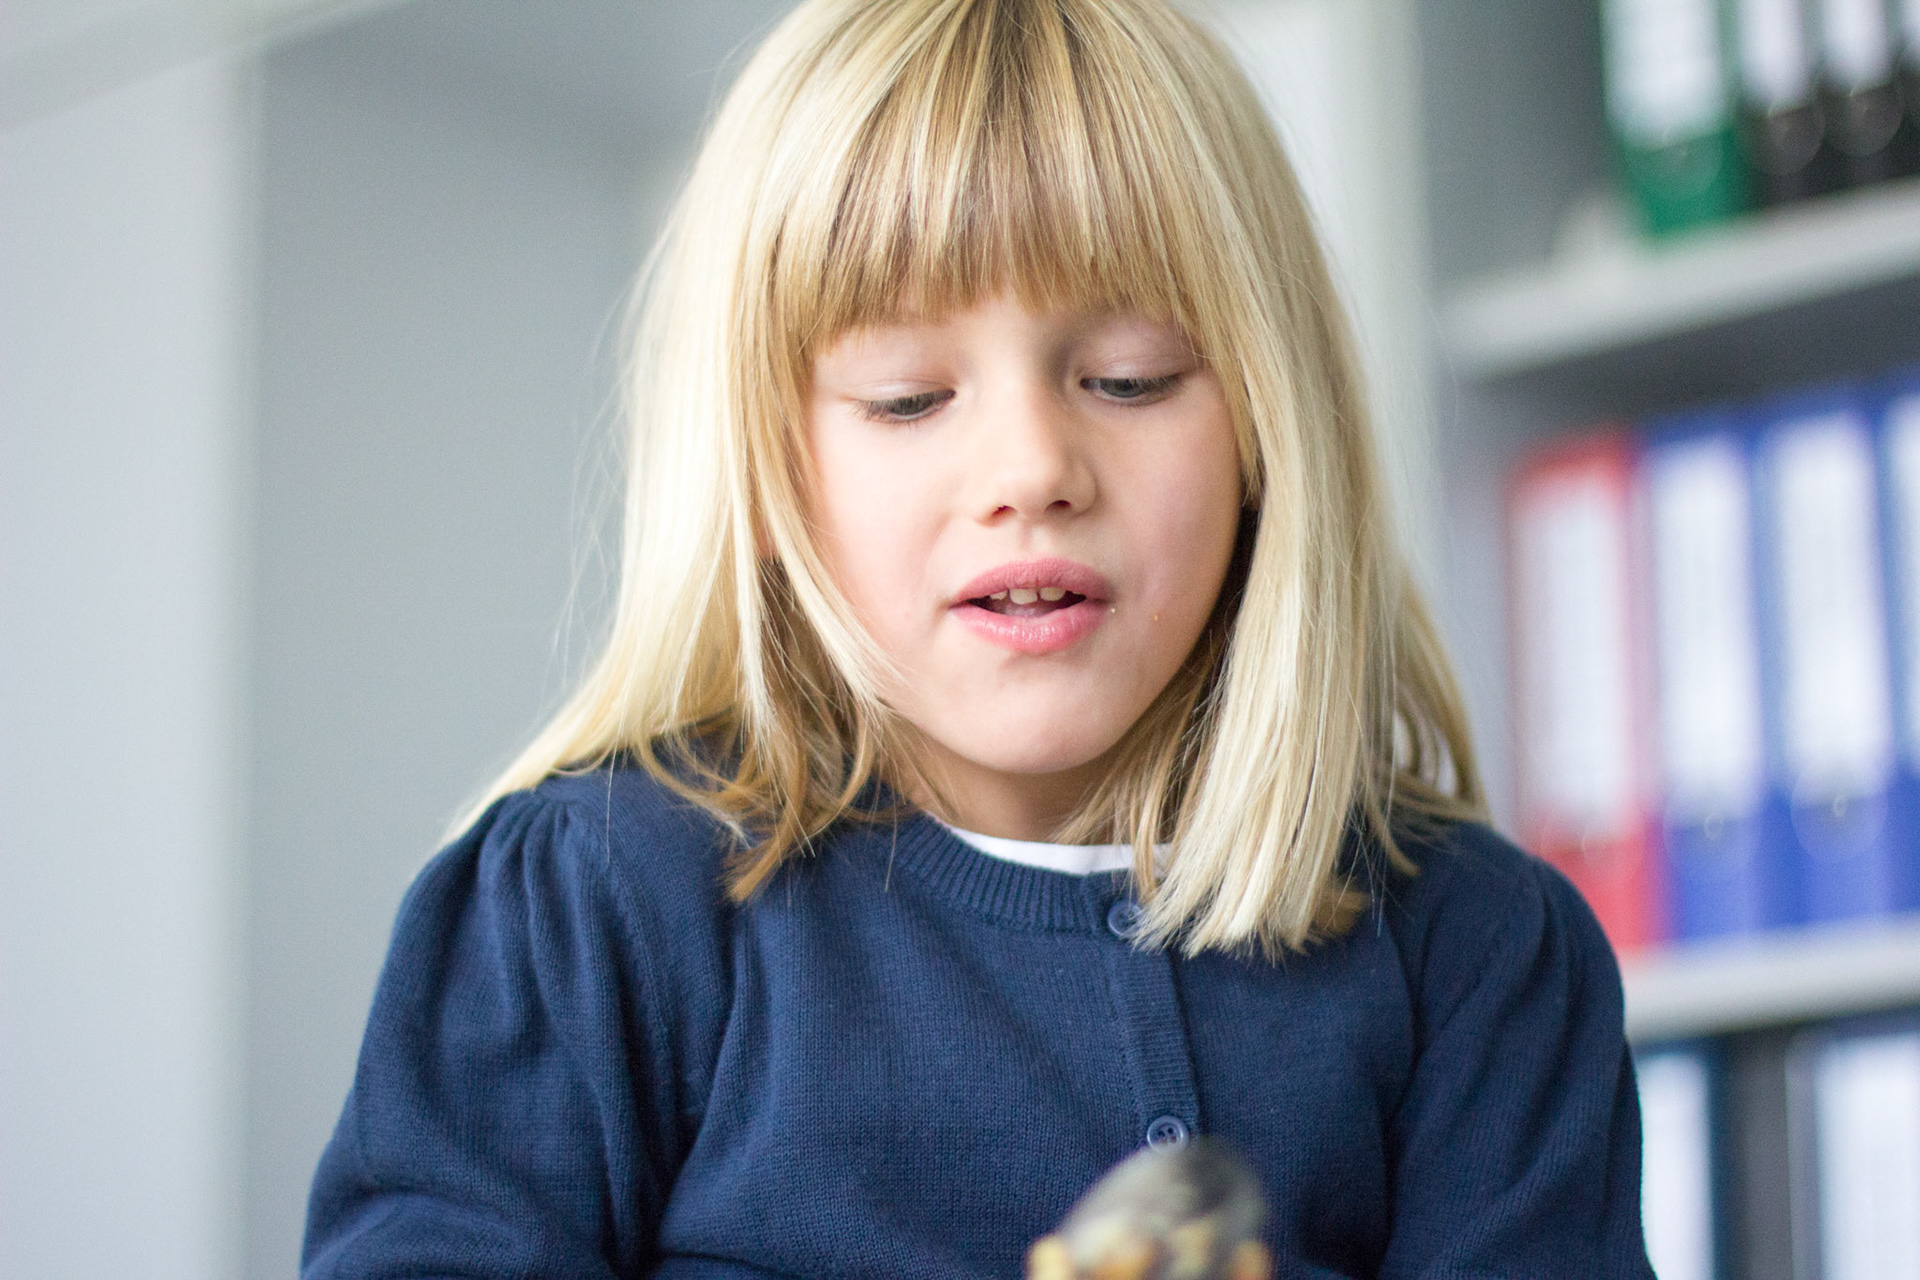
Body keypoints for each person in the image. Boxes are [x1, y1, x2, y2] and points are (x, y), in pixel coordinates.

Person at [301, 0, 1656, 1275]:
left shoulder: (1479, 954)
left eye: (1128, 377)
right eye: (907, 398)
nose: (1031, 469)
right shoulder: (587, 911)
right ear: (764, 475)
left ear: (1265, 424)